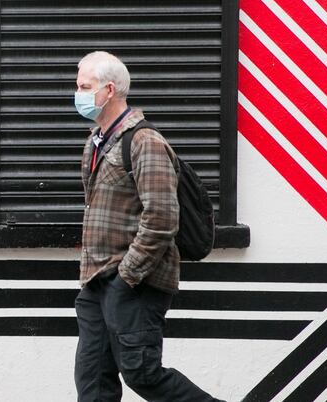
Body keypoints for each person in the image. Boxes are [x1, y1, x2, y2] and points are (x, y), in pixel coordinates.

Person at [73, 51, 221, 401]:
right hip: (96, 281)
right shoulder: (95, 142)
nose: (77, 93)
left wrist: (126, 278)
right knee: (93, 380)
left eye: (84, 86)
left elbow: (161, 219)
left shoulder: (144, 142)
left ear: (109, 90)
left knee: (143, 373)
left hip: (135, 283)